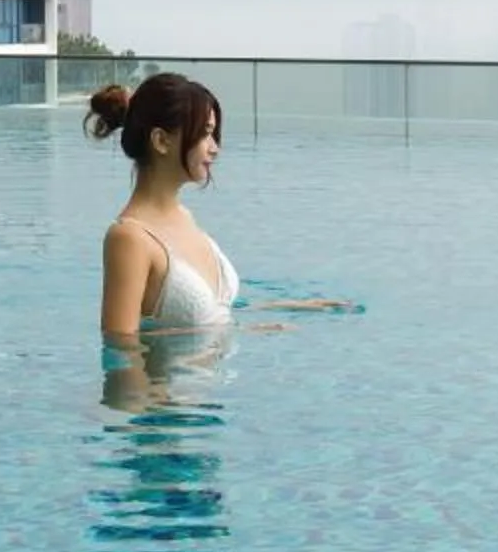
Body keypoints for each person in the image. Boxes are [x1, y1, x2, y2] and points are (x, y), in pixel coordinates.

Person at [89, 74, 350, 353]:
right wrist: (240, 333)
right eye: (204, 133)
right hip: (164, 396)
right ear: (162, 141)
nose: (215, 148)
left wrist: (291, 307)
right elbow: (120, 348)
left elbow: (211, 310)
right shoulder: (129, 238)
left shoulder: (184, 218)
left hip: (206, 390)